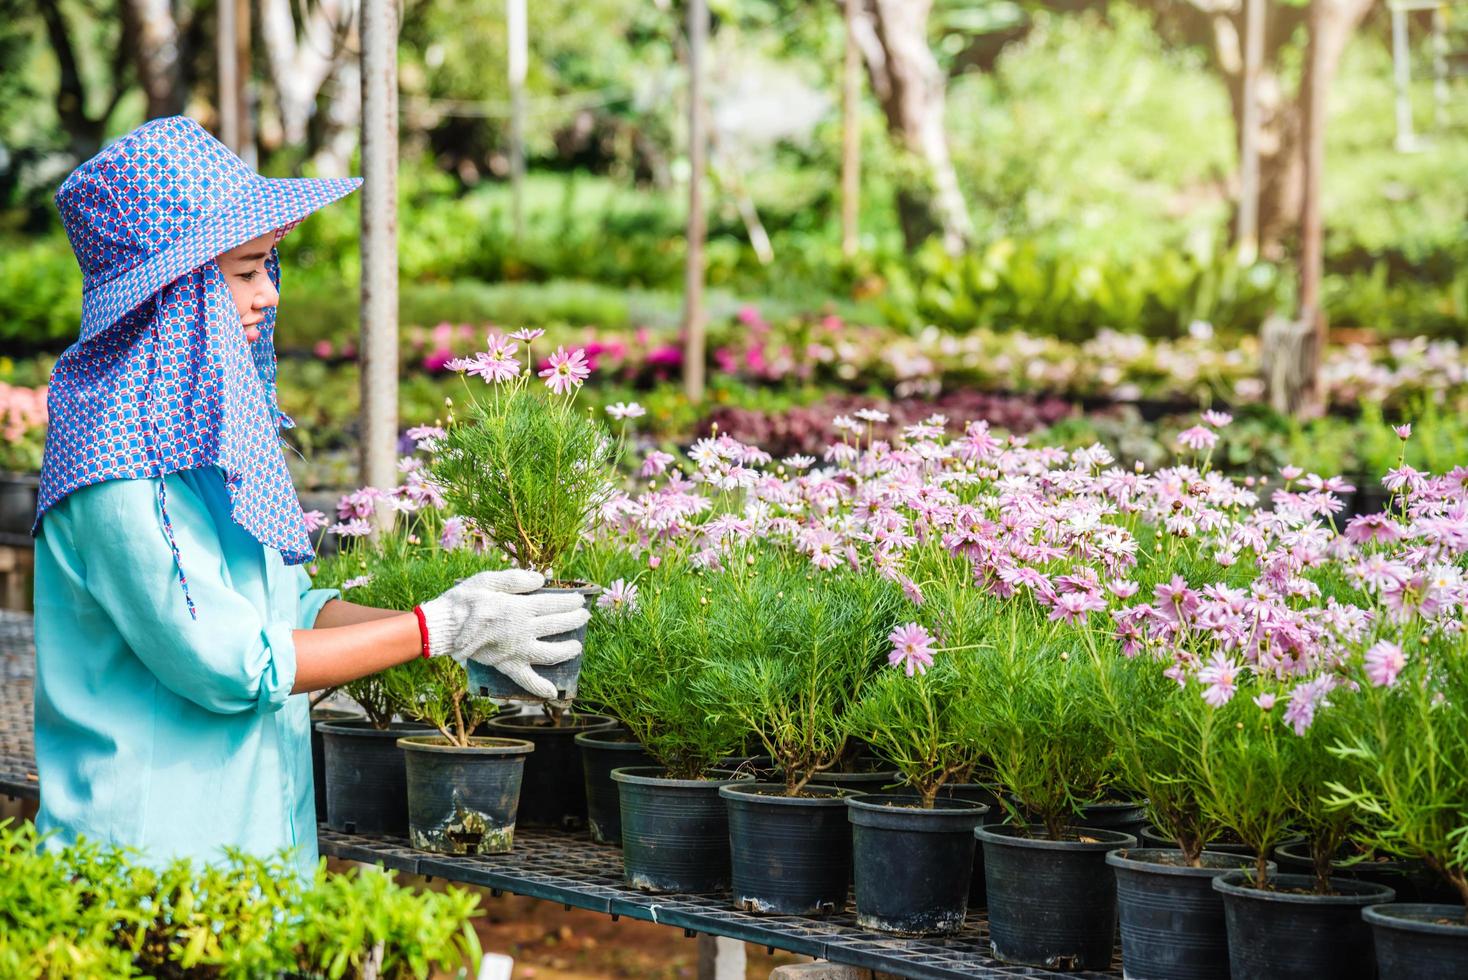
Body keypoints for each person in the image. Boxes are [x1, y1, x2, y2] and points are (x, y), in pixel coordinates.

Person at [28, 116, 587, 878]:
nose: (269, 294)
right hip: (155, 869)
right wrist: (434, 630)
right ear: (173, 292)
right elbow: (234, 665)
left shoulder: (197, 439)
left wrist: (466, 625)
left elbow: (290, 609)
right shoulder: (118, 475)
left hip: (253, 854)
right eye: (246, 270)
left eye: (269, 266)